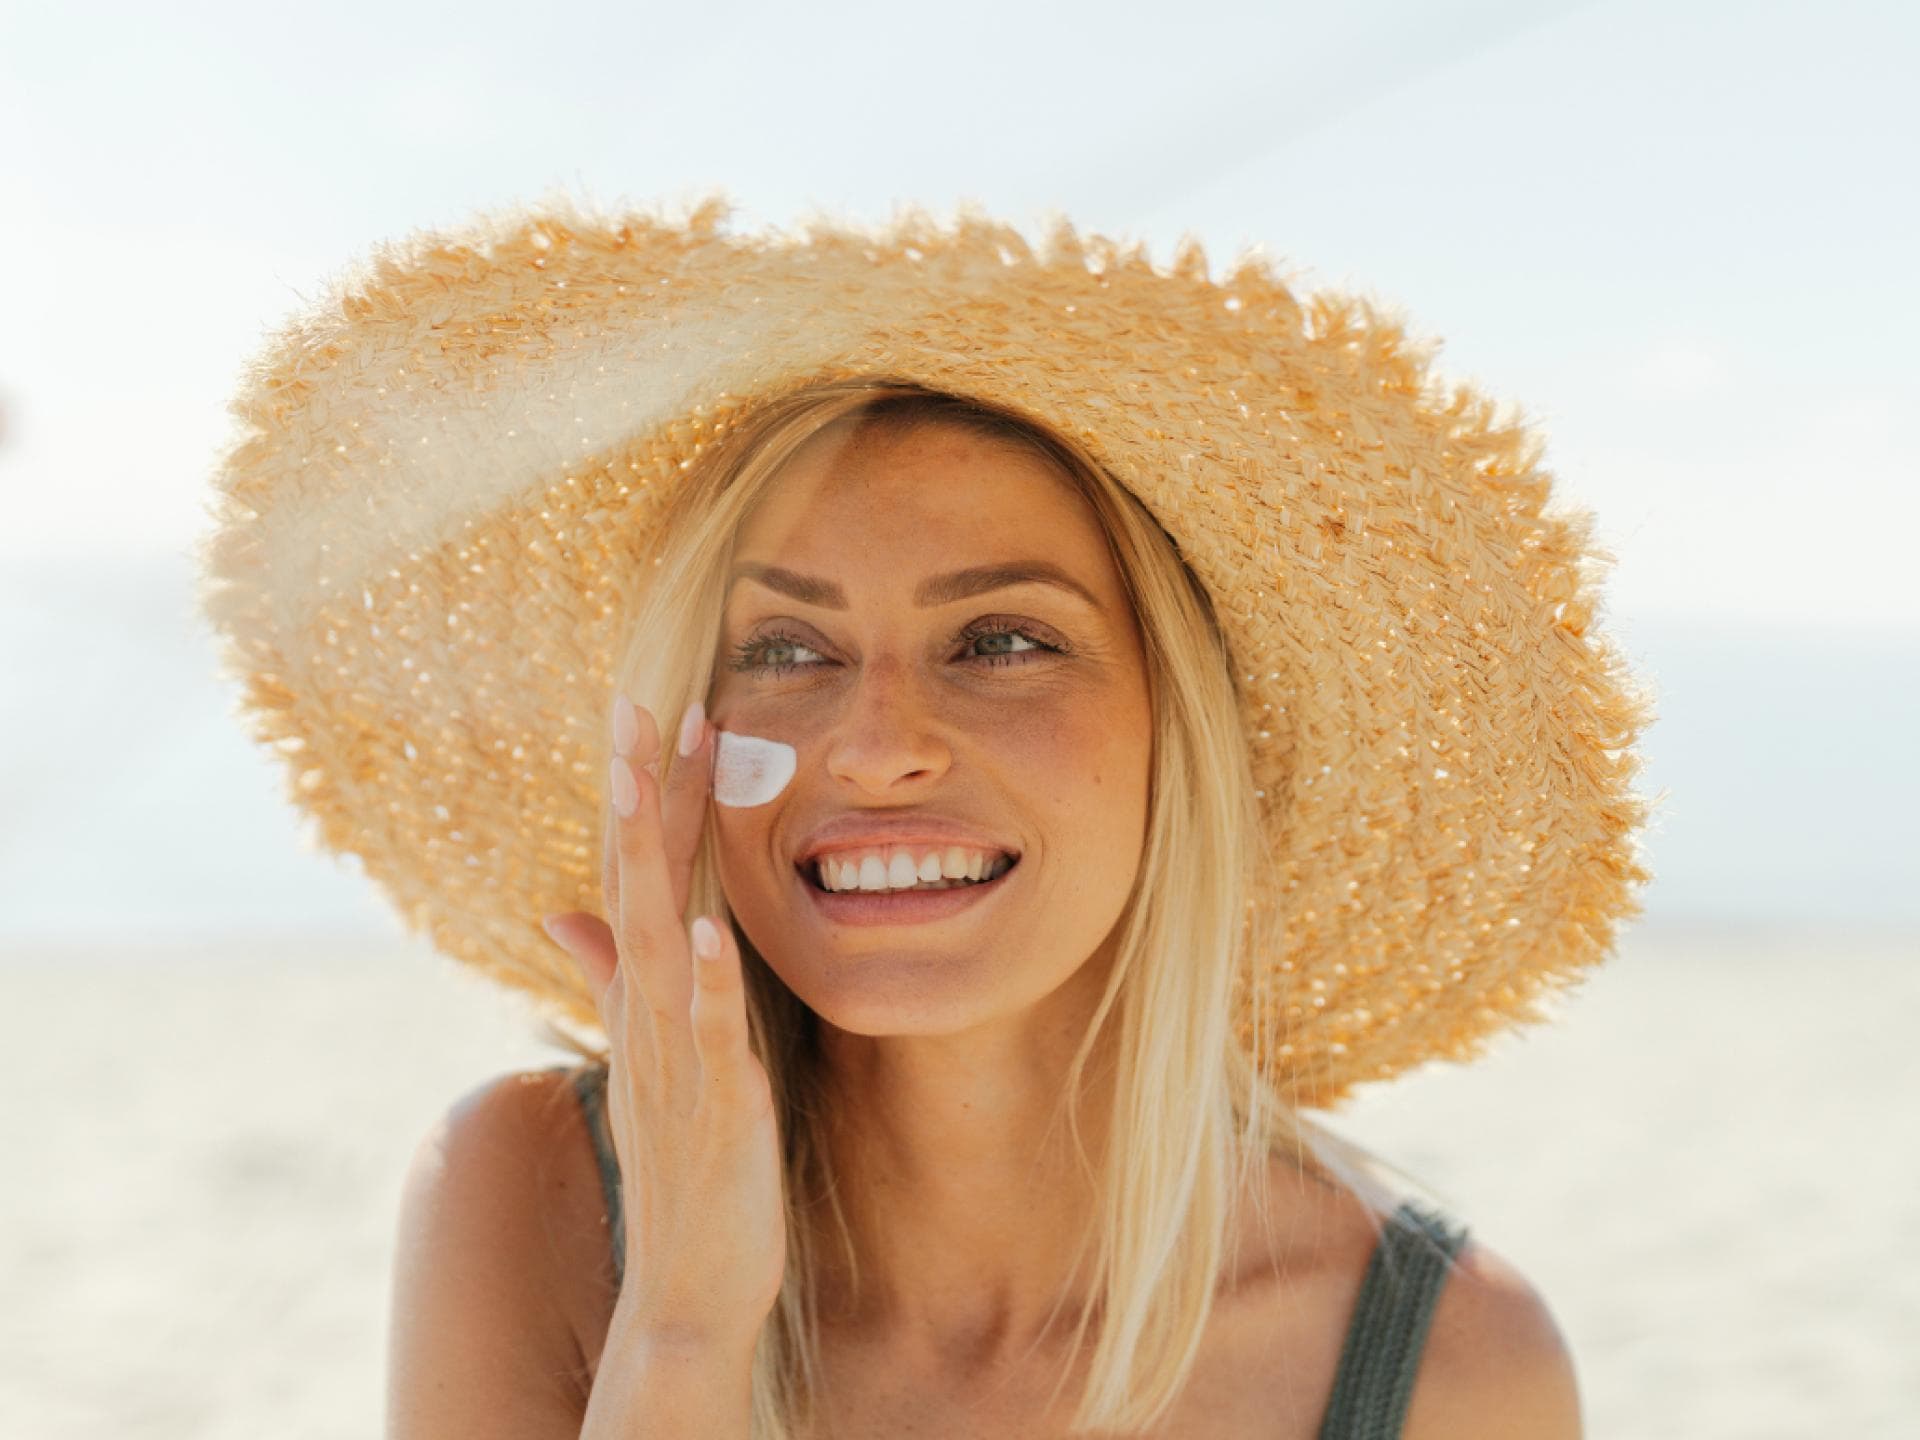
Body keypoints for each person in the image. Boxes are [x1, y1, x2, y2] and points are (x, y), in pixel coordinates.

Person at [196, 196, 1654, 1438]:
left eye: (1004, 640)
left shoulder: (1442, 1371)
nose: (877, 745)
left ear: (1179, 736)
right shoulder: (534, 1202)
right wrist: (684, 1339)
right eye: (782, 650)